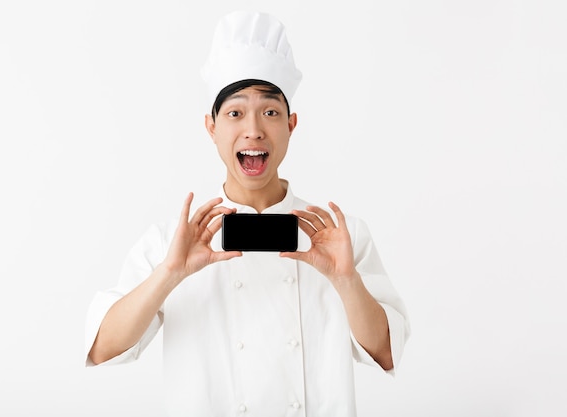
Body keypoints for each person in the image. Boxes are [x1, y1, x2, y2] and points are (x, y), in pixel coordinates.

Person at [85, 10, 410, 416]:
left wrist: (345, 280)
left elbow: (386, 353)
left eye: (270, 112)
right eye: (235, 113)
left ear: (291, 124)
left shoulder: (337, 236)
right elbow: (102, 348)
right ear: (211, 127)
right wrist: (170, 273)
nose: (254, 129)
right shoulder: (175, 241)